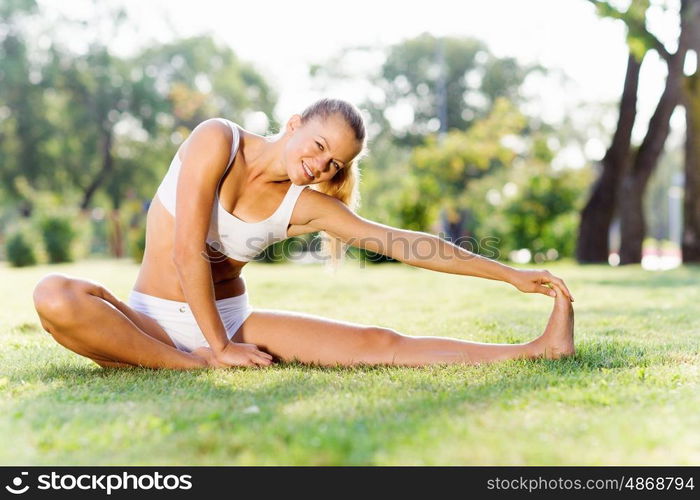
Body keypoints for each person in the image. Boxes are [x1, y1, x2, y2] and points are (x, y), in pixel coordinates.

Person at [32, 98, 574, 370]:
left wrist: (512, 275)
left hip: (233, 322)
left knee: (378, 344)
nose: (322, 167)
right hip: (150, 321)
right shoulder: (217, 140)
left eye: (336, 163)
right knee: (55, 297)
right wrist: (216, 351)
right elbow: (184, 252)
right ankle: (191, 366)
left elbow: (405, 243)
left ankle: (535, 350)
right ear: (294, 124)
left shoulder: (306, 205)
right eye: (317, 146)